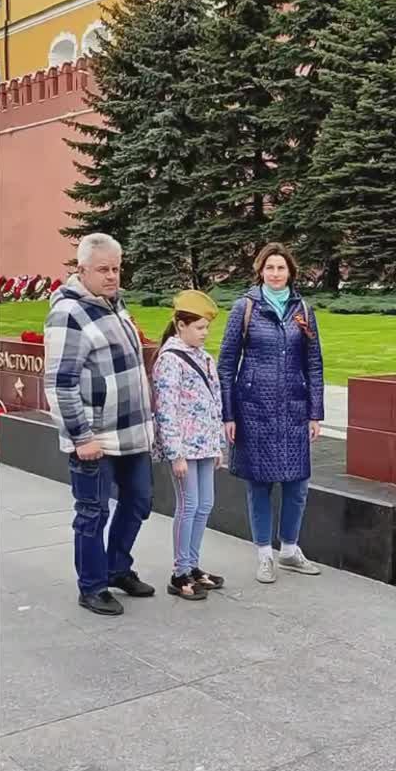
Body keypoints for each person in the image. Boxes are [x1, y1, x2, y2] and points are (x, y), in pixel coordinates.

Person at [44, 233, 154, 616]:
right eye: (103, 269)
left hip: (131, 433)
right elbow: (60, 383)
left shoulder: (114, 304)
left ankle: (116, 567)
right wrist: (81, 436)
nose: (112, 276)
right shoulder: (68, 313)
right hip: (95, 439)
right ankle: (92, 586)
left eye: (116, 268)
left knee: (139, 500)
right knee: (93, 513)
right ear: (82, 270)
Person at [218, 242, 325, 584]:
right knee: (259, 484)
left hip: (294, 409)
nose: (275, 274)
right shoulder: (245, 307)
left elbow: (314, 364)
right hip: (254, 409)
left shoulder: (303, 310)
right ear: (260, 272)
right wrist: (228, 414)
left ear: (290, 272)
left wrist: (315, 413)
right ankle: (264, 554)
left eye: (281, 268)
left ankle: (290, 550)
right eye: (269, 268)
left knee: (298, 483)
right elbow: (226, 363)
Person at [151, 291, 225, 601]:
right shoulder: (170, 360)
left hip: (205, 445)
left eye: (207, 327)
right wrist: (175, 453)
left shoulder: (205, 357)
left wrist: (218, 444)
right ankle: (180, 572)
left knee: (205, 504)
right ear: (181, 325)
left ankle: (193, 566)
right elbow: (165, 409)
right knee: (189, 505)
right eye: (199, 327)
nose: (205, 333)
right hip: (183, 448)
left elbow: (215, 404)